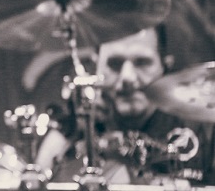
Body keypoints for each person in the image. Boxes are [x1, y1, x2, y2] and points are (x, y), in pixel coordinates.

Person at [35, 27, 215, 185]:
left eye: (142, 62)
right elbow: (38, 181)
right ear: (96, 68)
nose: (127, 77)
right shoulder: (76, 130)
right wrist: (67, 133)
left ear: (165, 67)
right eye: (114, 64)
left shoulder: (200, 130)